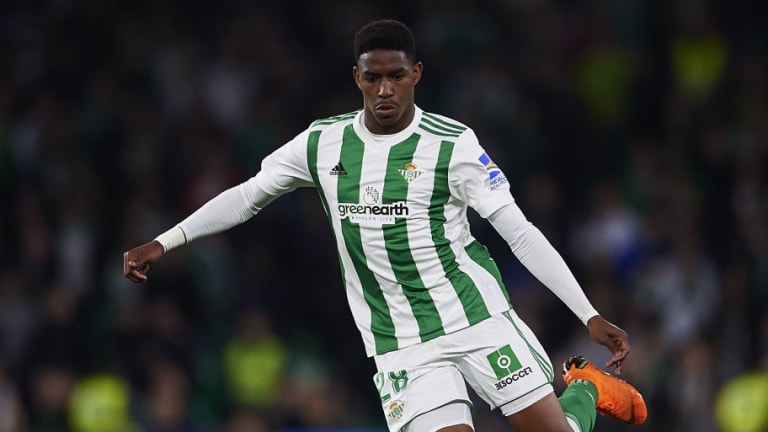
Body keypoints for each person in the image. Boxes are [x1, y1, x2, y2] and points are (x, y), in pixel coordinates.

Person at [123, 19, 647, 432]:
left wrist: (588, 314)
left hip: (475, 316)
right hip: (400, 342)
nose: (385, 89)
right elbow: (247, 195)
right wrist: (165, 242)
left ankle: (584, 388)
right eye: (372, 77)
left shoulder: (452, 145)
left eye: (396, 75)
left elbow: (520, 232)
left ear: (416, 74)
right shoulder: (323, 143)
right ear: (357, 78)